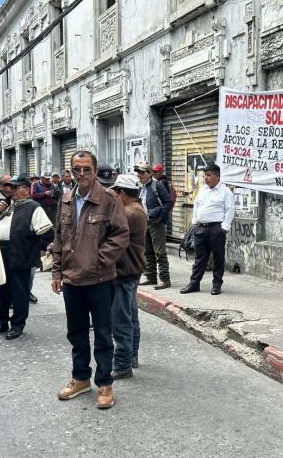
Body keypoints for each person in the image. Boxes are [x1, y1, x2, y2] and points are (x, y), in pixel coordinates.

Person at [51, 150, 129, 409]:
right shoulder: (65, 199)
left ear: (95, 171)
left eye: (86, 169)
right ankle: (80, 377)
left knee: (104, 335)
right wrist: (56, 271)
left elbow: (120, 236)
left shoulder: (109, 199)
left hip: (100, 280)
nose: (81, 174)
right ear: (71, 172)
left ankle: (105, 382)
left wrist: (97, 259)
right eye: (76, 169)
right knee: (76, 333)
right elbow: (59, 238)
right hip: (72, 281)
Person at [0, 174, 53, 340]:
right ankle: (1, 322)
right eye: (11, 187)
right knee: (1, 290)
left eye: (16, 187)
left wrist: (39, 250)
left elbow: (46, 233)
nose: (12, 191)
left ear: (26, 189)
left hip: (20, 253)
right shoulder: (9, 205)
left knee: (19, 292)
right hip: (1, 252)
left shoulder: (33, 207)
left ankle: (17, 325)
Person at [109, 174, 147, 379]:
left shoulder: (128, 212)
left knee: (121, 320)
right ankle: (131, 356)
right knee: (130, 315)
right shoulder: (137, 209)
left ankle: (123, 363)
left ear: (122, 193)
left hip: (125, 271)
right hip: (132, 270)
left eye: (116, 192)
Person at [180, 163, 235, 295]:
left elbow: (230, 210)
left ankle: (216, 284)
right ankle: (194, 283)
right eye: (205, 175)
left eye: (209, 175)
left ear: (217, 176)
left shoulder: (225, 192)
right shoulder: (203, 189)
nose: (206, 177)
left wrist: (224, 227)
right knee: (199, 258)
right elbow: (197, 205)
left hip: (216, 229)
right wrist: (194, 222)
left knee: (218, 258)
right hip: (201, 228)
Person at [135, 161, 173, 290]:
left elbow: (168, 202)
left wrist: (161, 218)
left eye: (142, 172)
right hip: (144, 222)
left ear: (149, 173)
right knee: (147, 251)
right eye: (138, 172)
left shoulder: (157, 185)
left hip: (155, 222)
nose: (140, 175)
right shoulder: (140, 187)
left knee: (159, 252)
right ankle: (151, 277)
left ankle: (165, 280)